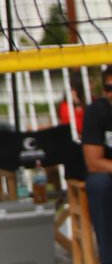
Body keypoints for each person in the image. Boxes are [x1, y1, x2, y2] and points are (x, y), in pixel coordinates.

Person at [84, 67, 112, 264]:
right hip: (105, 173)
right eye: (109, 88)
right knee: (99, 184)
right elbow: (93, 163)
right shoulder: (96, 112)